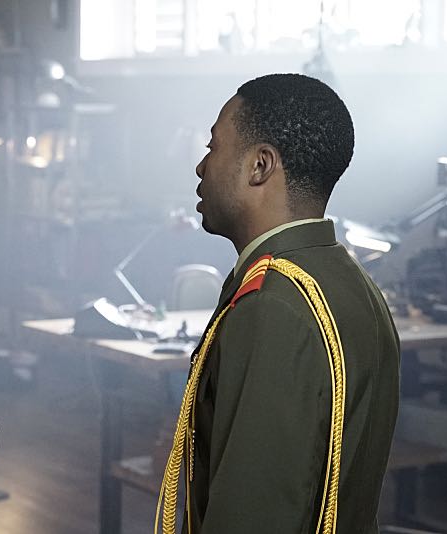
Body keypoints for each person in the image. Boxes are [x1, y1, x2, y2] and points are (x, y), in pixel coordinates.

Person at [155, 73, 399, 533]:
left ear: (260, 166)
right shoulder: (351, 282)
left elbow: (252, 515)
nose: (201, 167)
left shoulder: (274, 304)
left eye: (213, 147)